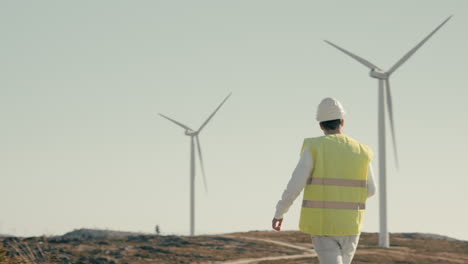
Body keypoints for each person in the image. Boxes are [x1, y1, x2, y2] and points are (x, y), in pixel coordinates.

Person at [272, 97, 376, 264]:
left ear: (320, 125)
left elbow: (295, 184)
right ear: (342, 121)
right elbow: (371, 190)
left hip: (323, 226)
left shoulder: (314, 147)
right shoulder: (362, 150)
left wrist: (280, 212)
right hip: (351, 226)